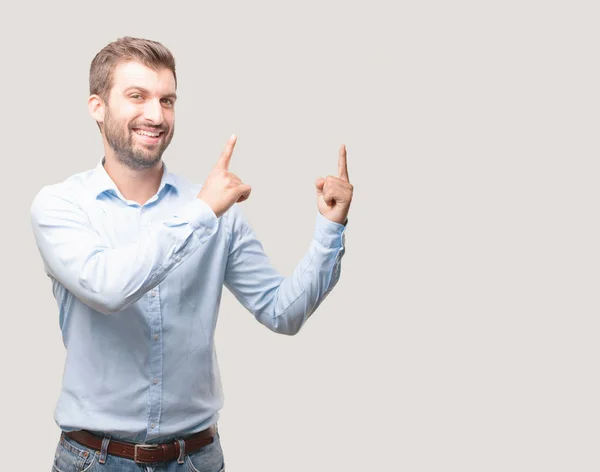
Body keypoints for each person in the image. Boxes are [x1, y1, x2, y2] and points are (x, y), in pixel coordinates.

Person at [30, 36, 353, 472]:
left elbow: (282, 312)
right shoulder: (61, 205)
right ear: (97, 106)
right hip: (94, 460)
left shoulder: (215, 208)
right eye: (137, 96)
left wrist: (329, 230)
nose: (155, 115)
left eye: (167, 100)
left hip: (196, 460)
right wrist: (201, 212)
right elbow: (107, 287)